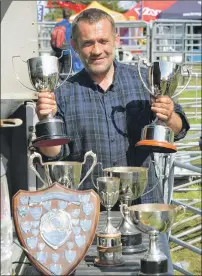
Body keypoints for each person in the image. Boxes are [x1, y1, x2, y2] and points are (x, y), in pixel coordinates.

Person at [36, 8, 190, 204]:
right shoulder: (62, 94)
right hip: (88, 208)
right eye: (88, 43)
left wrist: (168, 117)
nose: (97, 50)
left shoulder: (145, 80)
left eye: (103, 41)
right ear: (74, 46)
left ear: (116, 40)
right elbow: (54, 155)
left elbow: (180, 129)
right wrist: (46, 123)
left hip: (143, 204)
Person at [51, 9, 72, 75]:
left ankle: (57, 82)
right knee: (67, 71)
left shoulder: (57, 24)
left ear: (63, 15)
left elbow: (53, 37)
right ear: (70, 15)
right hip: (67, 51)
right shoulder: (70, 26)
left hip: (57, 49)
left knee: (58, 68)